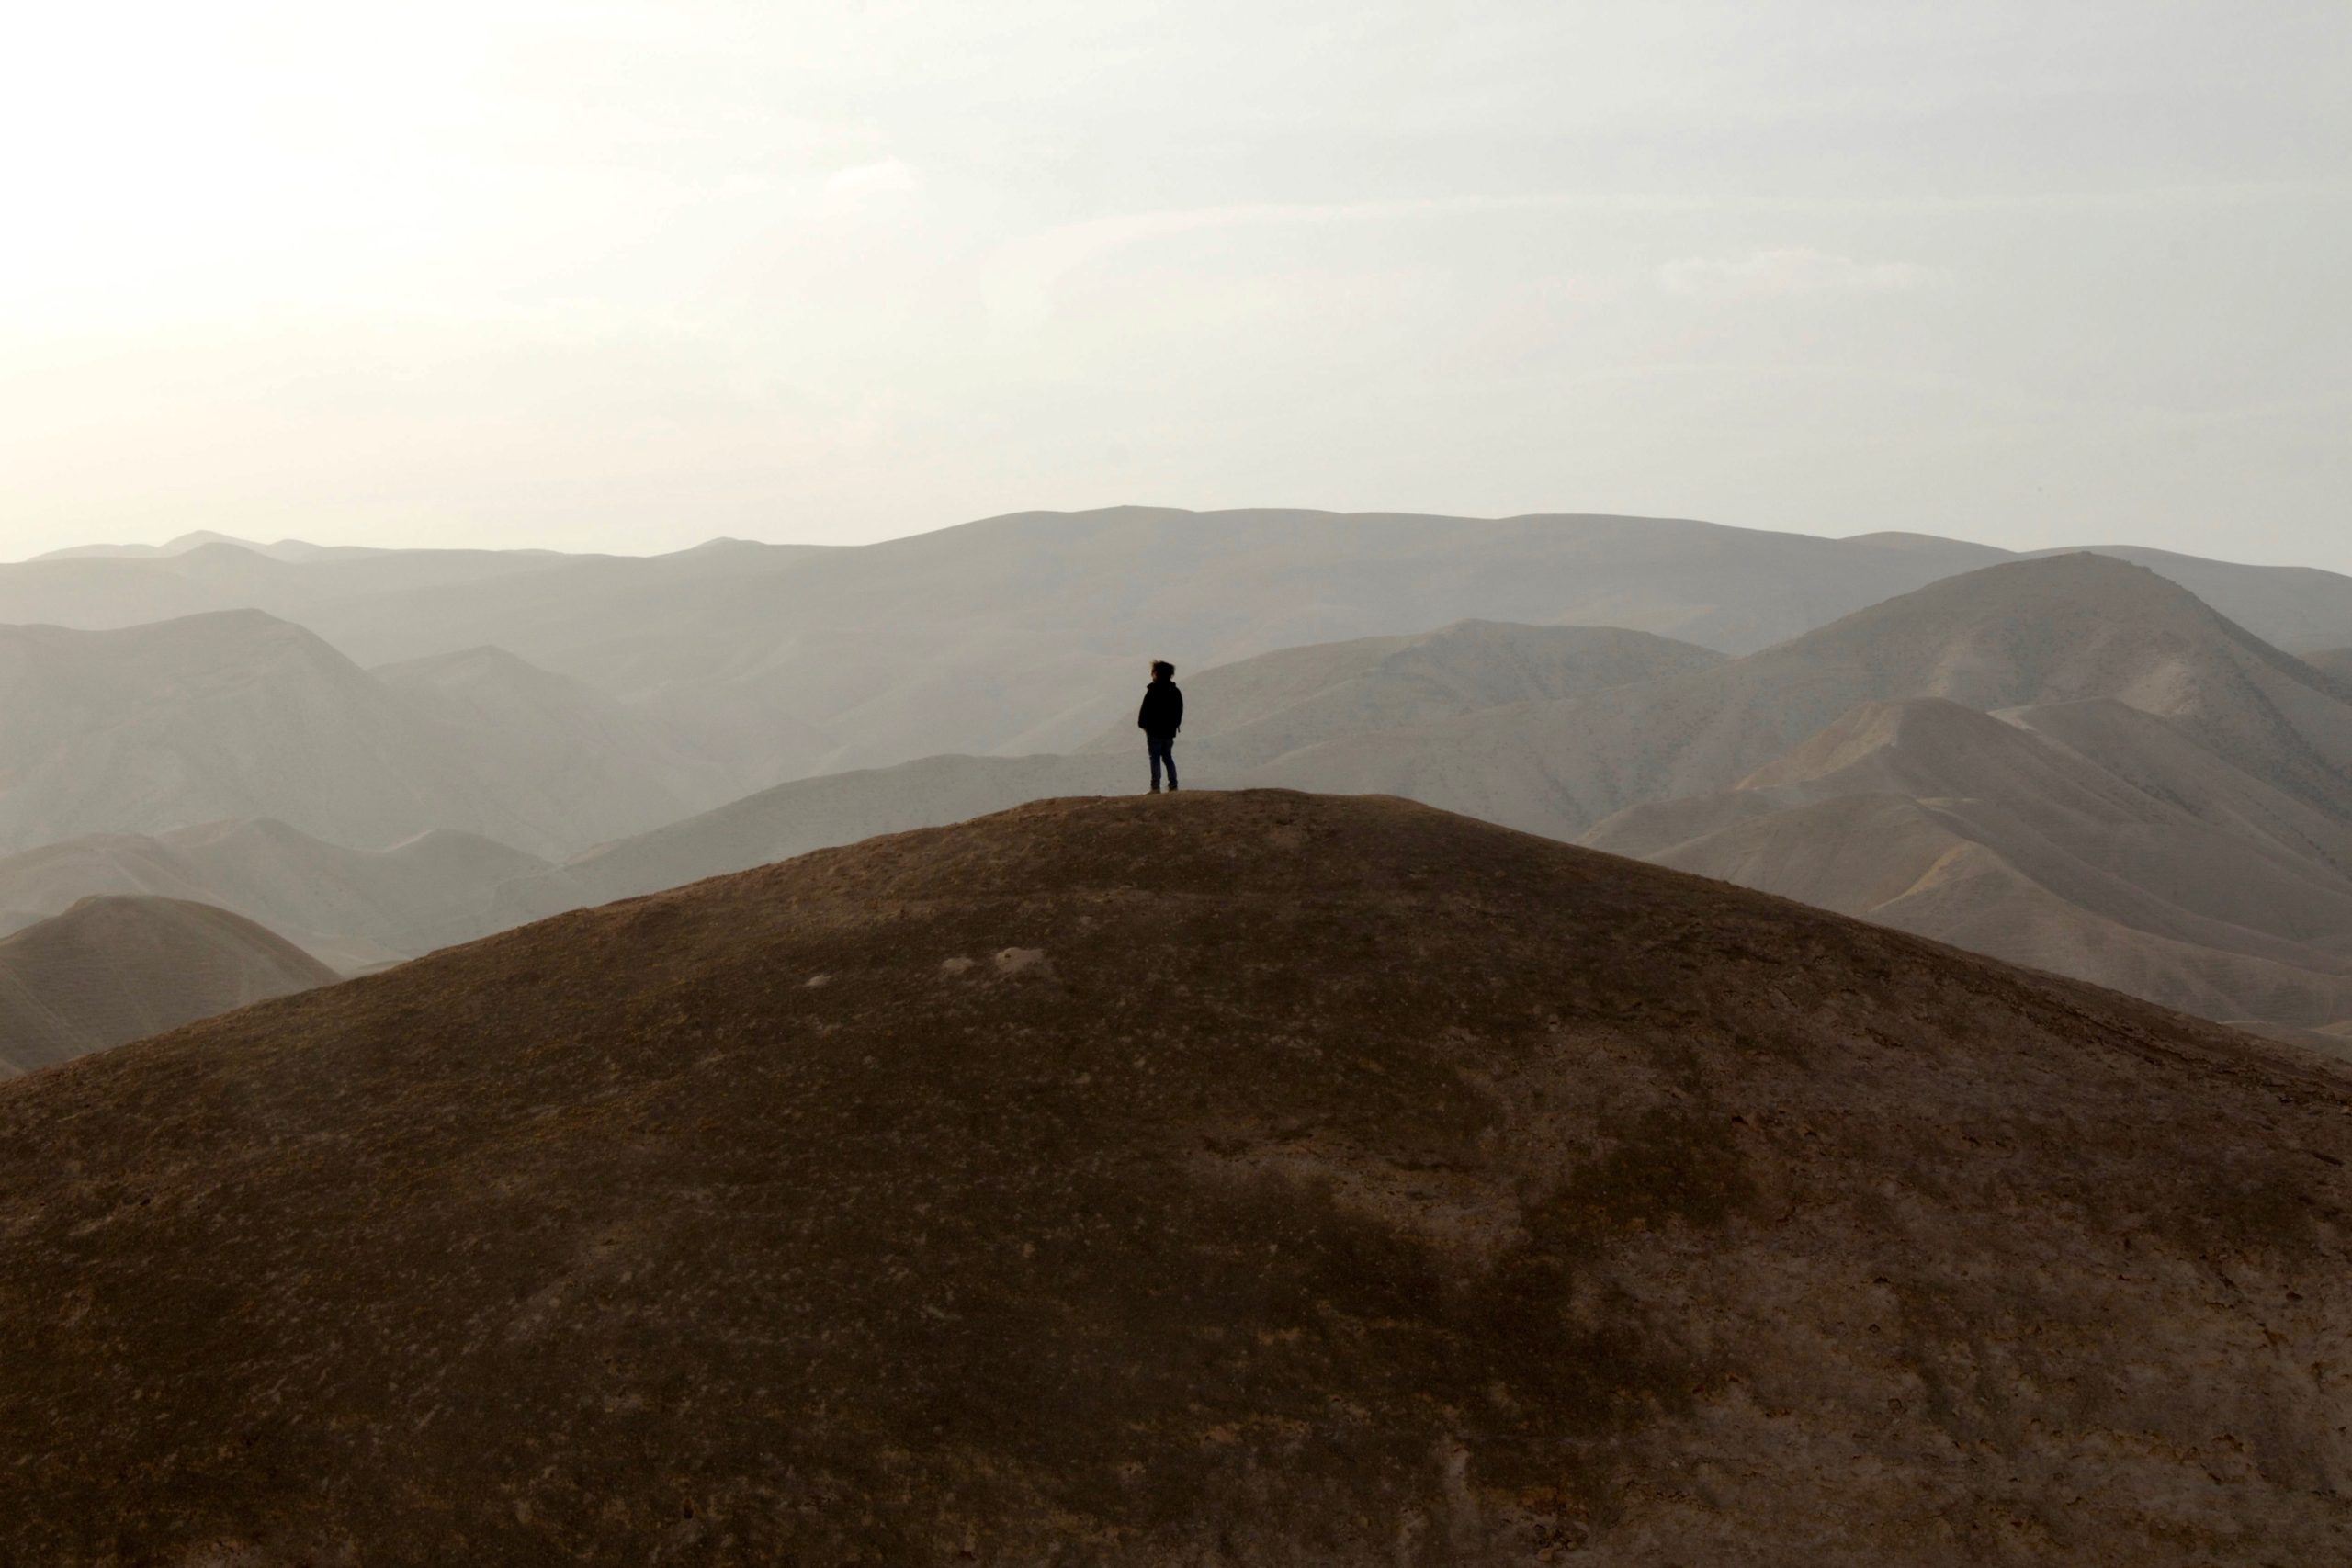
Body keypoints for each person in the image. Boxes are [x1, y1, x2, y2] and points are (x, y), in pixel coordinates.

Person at [1137, 660, 1183, 793]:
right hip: (1169, 732)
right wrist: (1174, 726)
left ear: (1156, 673)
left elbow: (1144, 712)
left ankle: (1155, 787)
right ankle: (1173, 785)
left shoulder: (1153, 691)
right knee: (1168, 757)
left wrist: (1144, 727)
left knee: (1155, 757)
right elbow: (1179, 711)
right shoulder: (1175, 691)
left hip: (1154, 731)